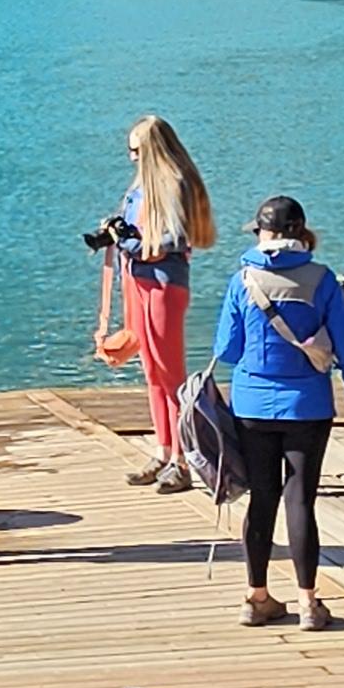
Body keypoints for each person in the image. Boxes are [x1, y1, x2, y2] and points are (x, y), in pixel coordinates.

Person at [209, 194, 344, 629]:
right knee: (300, 500)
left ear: (262, 233)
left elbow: (227, 349)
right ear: (301, 232)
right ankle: (308, 603)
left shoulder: (242, 278)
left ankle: (255, 596)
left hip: (252, 405)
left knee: (262, 498)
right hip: (309, 406)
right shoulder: (322, 280)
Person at [101, 115, 216, 492]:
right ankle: (163, 450)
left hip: (164, 284)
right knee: (151, 369)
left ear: (151, 150)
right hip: (138, 279)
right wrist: (117, 232)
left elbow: (173, 240)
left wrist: (130, 243)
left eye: (135, 150)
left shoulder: (175, 185)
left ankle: (182, 460)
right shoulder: (140, 187)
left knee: (170, 373)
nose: (131, 157)